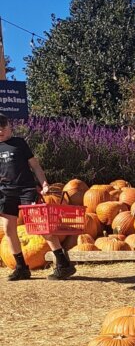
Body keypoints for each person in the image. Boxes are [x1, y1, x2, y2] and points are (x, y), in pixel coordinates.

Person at [0, 115, 75, 280]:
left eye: (3, 128)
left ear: (9, 127)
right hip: (6, 192)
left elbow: (35, 166)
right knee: (8, 229)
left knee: (40, 227)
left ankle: (63, 264)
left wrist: (44, 184)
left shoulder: (19, 144)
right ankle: (21, 268)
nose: (0, 131)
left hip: (26, 189)